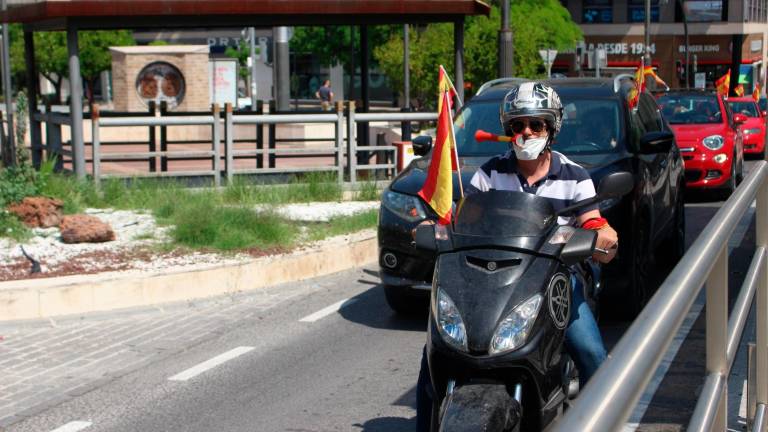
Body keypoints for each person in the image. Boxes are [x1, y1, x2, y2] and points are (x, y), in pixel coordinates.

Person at [415, 82, 618, 431]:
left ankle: (603, 422)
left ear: (551, 129)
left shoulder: (575, 176)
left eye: (535, 124)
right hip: (492, 282)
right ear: (508, 131)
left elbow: (596, 223)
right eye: (517, 125)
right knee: (434, 357)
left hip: (556, 282)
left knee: (591, 352)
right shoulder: (490, 173)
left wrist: (603, 237)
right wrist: (435, 227)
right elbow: (462, 220)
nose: (526, 132)